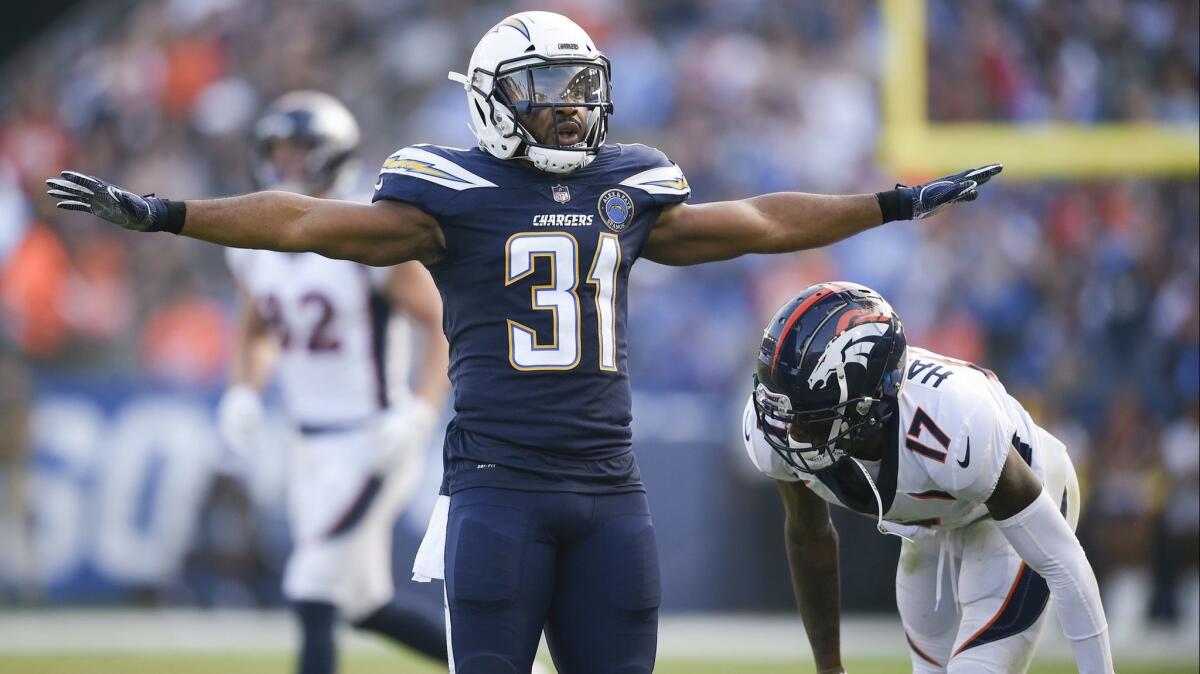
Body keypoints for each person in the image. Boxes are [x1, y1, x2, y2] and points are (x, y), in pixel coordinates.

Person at [46, 11, 1001, 673]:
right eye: (549, 90)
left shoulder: (628, 187)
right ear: (497, 100)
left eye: (583, 88)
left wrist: (893, 202)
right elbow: (301, 222)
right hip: (497, 492)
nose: (573, 108)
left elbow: (756, 217)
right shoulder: (441, 195)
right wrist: (168, 212)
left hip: (610, 494)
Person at [743, 281, 1113, 673]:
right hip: (933, 526)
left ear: (867, 405)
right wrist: (830, 668)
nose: (790, 431)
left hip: (1016, 501)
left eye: (808, 416)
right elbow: (809, 535)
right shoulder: (778, 433)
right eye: (785, 410)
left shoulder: (953, 424)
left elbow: (1064, 562)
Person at [213, 91, 450, 674]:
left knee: (311, 587)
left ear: (332, 156)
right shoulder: (256, 247)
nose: (287, 164)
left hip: (372, 438)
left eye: (301, 151)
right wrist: (244, 389)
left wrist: (420, 411)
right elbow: (257, 332)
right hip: (309, 444)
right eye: (280, 151)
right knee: (362, 605)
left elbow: (446, 328)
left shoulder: (366, 237)